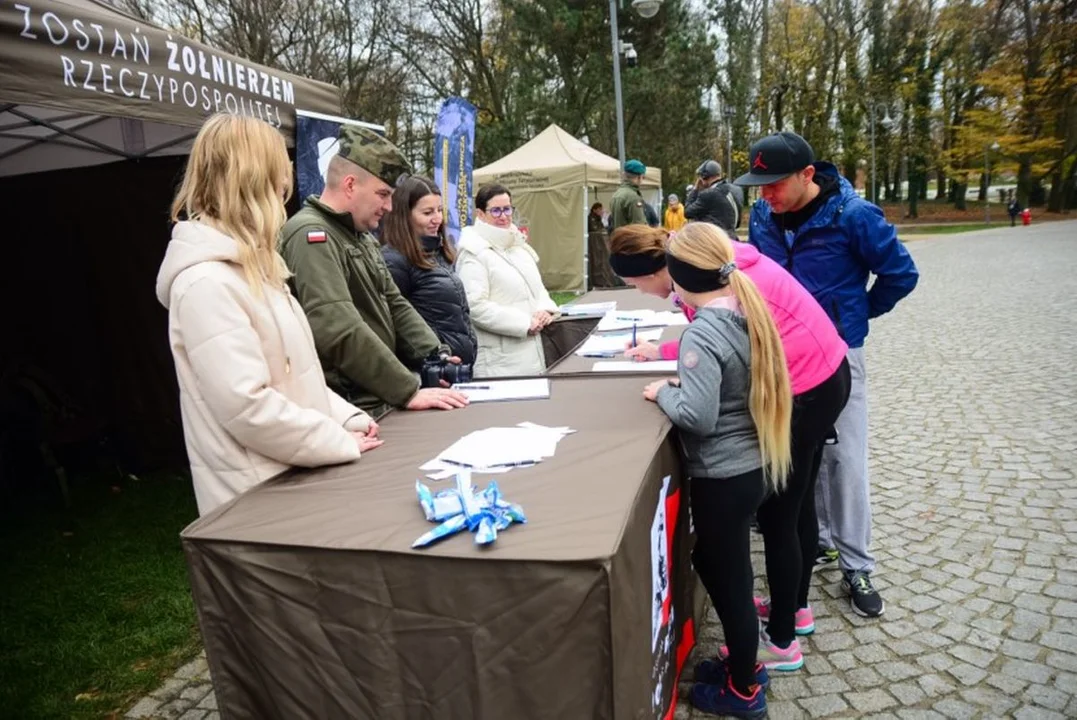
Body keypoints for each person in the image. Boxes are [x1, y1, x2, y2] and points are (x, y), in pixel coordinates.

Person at [609, 223, 851, 671]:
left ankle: (782, 638)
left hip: (809, 385)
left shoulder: (721, 279)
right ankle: (790, 610)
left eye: (636, 284)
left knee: (783, 513)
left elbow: (710, 371)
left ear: (664, 269)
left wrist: (672, 384)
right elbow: (720, 350)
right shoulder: (714, 272)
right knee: (788, 508)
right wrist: (666, 354)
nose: (640, 294)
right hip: (811, 379)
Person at [155, 114, 383, 517]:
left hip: (292, 485)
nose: (285, 189)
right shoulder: (206, 283)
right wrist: (335, 441)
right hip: (258, 502)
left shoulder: (257, 269)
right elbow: (248, 407)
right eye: (280, 176)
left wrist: (348, 419)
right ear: (254, 180)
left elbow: (295, 377)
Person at [736, 130, 919, 618]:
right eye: (759, 185)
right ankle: (815, 539)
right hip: (780, 358)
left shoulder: (855, 216)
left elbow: (902, 274)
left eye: (774, 184)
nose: (766, 194)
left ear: (808, 175)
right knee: (797, 453)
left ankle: (857, 564)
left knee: (845, 460)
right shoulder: (762, 216)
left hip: (837, 356)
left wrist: (850, 319)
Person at [642, 223, 793, 718]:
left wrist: (664, 392)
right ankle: (743, 660)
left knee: (730, 583)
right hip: (749, 470)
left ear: (681, 277)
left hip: (722, 478)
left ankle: (744, 689)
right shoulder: (743, 313)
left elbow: (699, 417)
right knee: (718, 565)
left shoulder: (702, 333)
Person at [279, 125, 469, 418]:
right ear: (351, 185)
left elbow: (394, 304)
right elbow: (337, 328)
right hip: (351, 406)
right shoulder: (312, 236)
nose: (390, 206)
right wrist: (406, 389)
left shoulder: (360, 237)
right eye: (383, 194)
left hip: (377, 398)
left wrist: (435, 353)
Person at [456, 184, 560, 377]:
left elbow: (537, 289)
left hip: (533, 353)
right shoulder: (474, 253)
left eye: (507, 209)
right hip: (500, 363)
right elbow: (474, 306)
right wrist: (524, 323)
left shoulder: (517, 245)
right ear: (480, 214)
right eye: (495, 210)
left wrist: (545, 309)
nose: (503, 216)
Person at [380, 176, 478, 365]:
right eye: (427, 212)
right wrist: (431, 362)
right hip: (429, 374)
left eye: (440, 210)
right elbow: (394, 325)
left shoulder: (438, 252)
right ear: (405, 216)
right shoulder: (394, 260)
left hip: (454, 369)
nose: (437, 219)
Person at [685, 160, 740, 234]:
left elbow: (688, 212)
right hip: (732, 238)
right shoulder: (737, 190)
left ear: (705, 176)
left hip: (715, 239)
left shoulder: (708, 194)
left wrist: (695, 189)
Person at [609, 159, 649, 231]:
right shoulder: (633, 198)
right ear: (639, 177)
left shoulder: (616, 194)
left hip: (619, 239)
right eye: (643, 177)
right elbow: (640, 227)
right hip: (631, 241)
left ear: (624, 174)